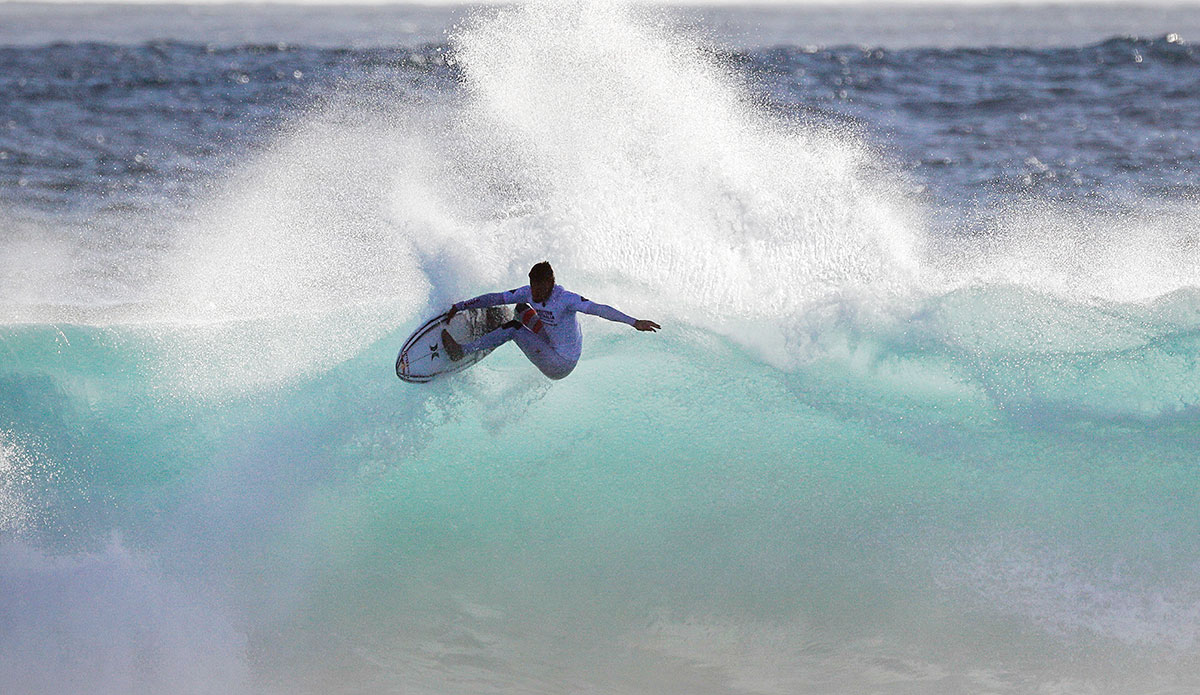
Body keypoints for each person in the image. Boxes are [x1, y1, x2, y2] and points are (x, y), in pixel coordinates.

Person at [442, 261, 660, 380]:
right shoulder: (529, 292)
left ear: (550, 283)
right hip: (549, 341)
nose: (534, 292)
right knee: (519, 308)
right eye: (532, 286)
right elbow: (498, 297)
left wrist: (633, 322)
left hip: (560, 363)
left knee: (514, 328)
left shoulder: (566, 300)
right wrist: (462, 305)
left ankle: (463, 350)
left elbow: (599, 309)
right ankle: (495, 329)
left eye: (539, 287)